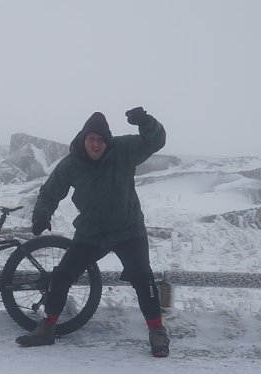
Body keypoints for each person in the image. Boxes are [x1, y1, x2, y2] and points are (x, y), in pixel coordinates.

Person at [16, 106, 170, 357]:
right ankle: (47, 328)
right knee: (62, 275)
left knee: (143, 277)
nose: (96, 144)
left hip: (129, 230)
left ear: (107, 141)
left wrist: (146, 122)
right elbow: (50, 192)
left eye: (100, 139)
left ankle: (157, 332)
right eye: (91, 139)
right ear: (83, 139)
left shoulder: (124, 150)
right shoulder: (71, 163)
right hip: (92, 233)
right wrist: (42, 215)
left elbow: (156, 140)